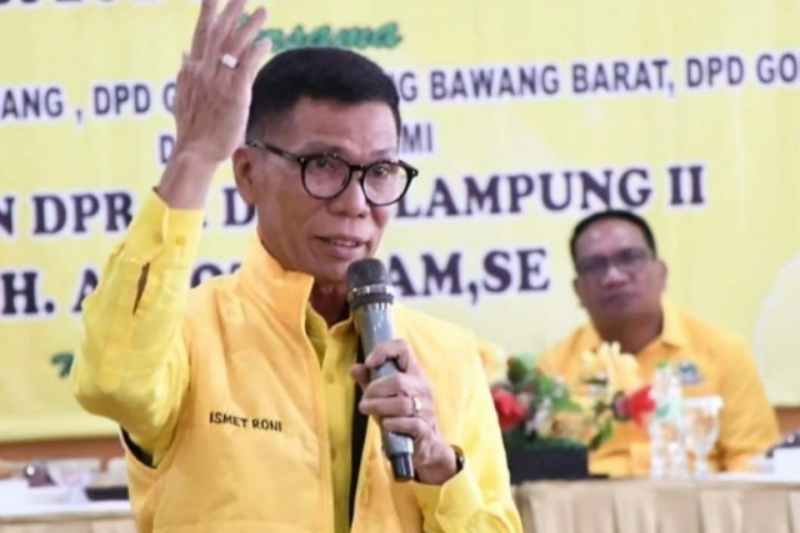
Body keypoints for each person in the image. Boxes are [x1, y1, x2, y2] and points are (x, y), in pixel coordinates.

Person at [70, 1, 522, 531]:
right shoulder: (190, 333)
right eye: (323, 165)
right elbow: (112, 383)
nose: (356, 202)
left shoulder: (445, 355)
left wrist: (440, 468)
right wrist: (194, 155)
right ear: (248, 174)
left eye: (380, 170)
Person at [537, 210, 779, 477]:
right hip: (588, 501)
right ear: (578, 290)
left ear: (661, 273)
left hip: (695, 498)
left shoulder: (722, 352)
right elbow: (541, 472)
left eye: (629, 258)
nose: (614, 276)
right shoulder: (554, 368)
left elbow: (753, 461)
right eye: (595, 266)